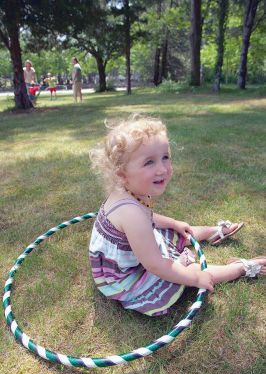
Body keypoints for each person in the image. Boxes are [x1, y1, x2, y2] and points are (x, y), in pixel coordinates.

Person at [89, 115, 266, 317]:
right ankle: (240, 268)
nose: (163, 169)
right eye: (149, 162)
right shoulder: (131, 214)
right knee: (192, 271)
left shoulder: (129, 193)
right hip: (128, 276)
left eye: (165, 157)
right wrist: (194, 279)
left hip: (132, 252)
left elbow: (149, 217)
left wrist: (173, 223)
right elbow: (155, 265)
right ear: (122, 174)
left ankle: (213, 232)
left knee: (178, 229)